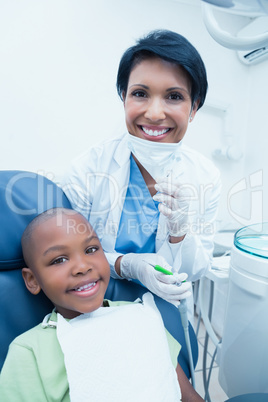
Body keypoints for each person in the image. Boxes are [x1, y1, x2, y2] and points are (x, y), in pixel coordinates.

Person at [61, 29, 221, 321]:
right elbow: (68, 258)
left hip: (164, 308)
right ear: (124, 98)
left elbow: (196, 269)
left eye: (174, 96)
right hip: (91, 307)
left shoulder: (205, 176)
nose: (155, 112)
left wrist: (180, 232)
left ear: (194, 107)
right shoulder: (87, 169)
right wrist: (126, 264)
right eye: (140, 94)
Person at [0, 208, 203, 402]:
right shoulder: (29, 352)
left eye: (91, 249)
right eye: (59, 260)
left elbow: (189, 397)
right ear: (32, 279)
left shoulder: (142, 316)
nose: (82, 266)